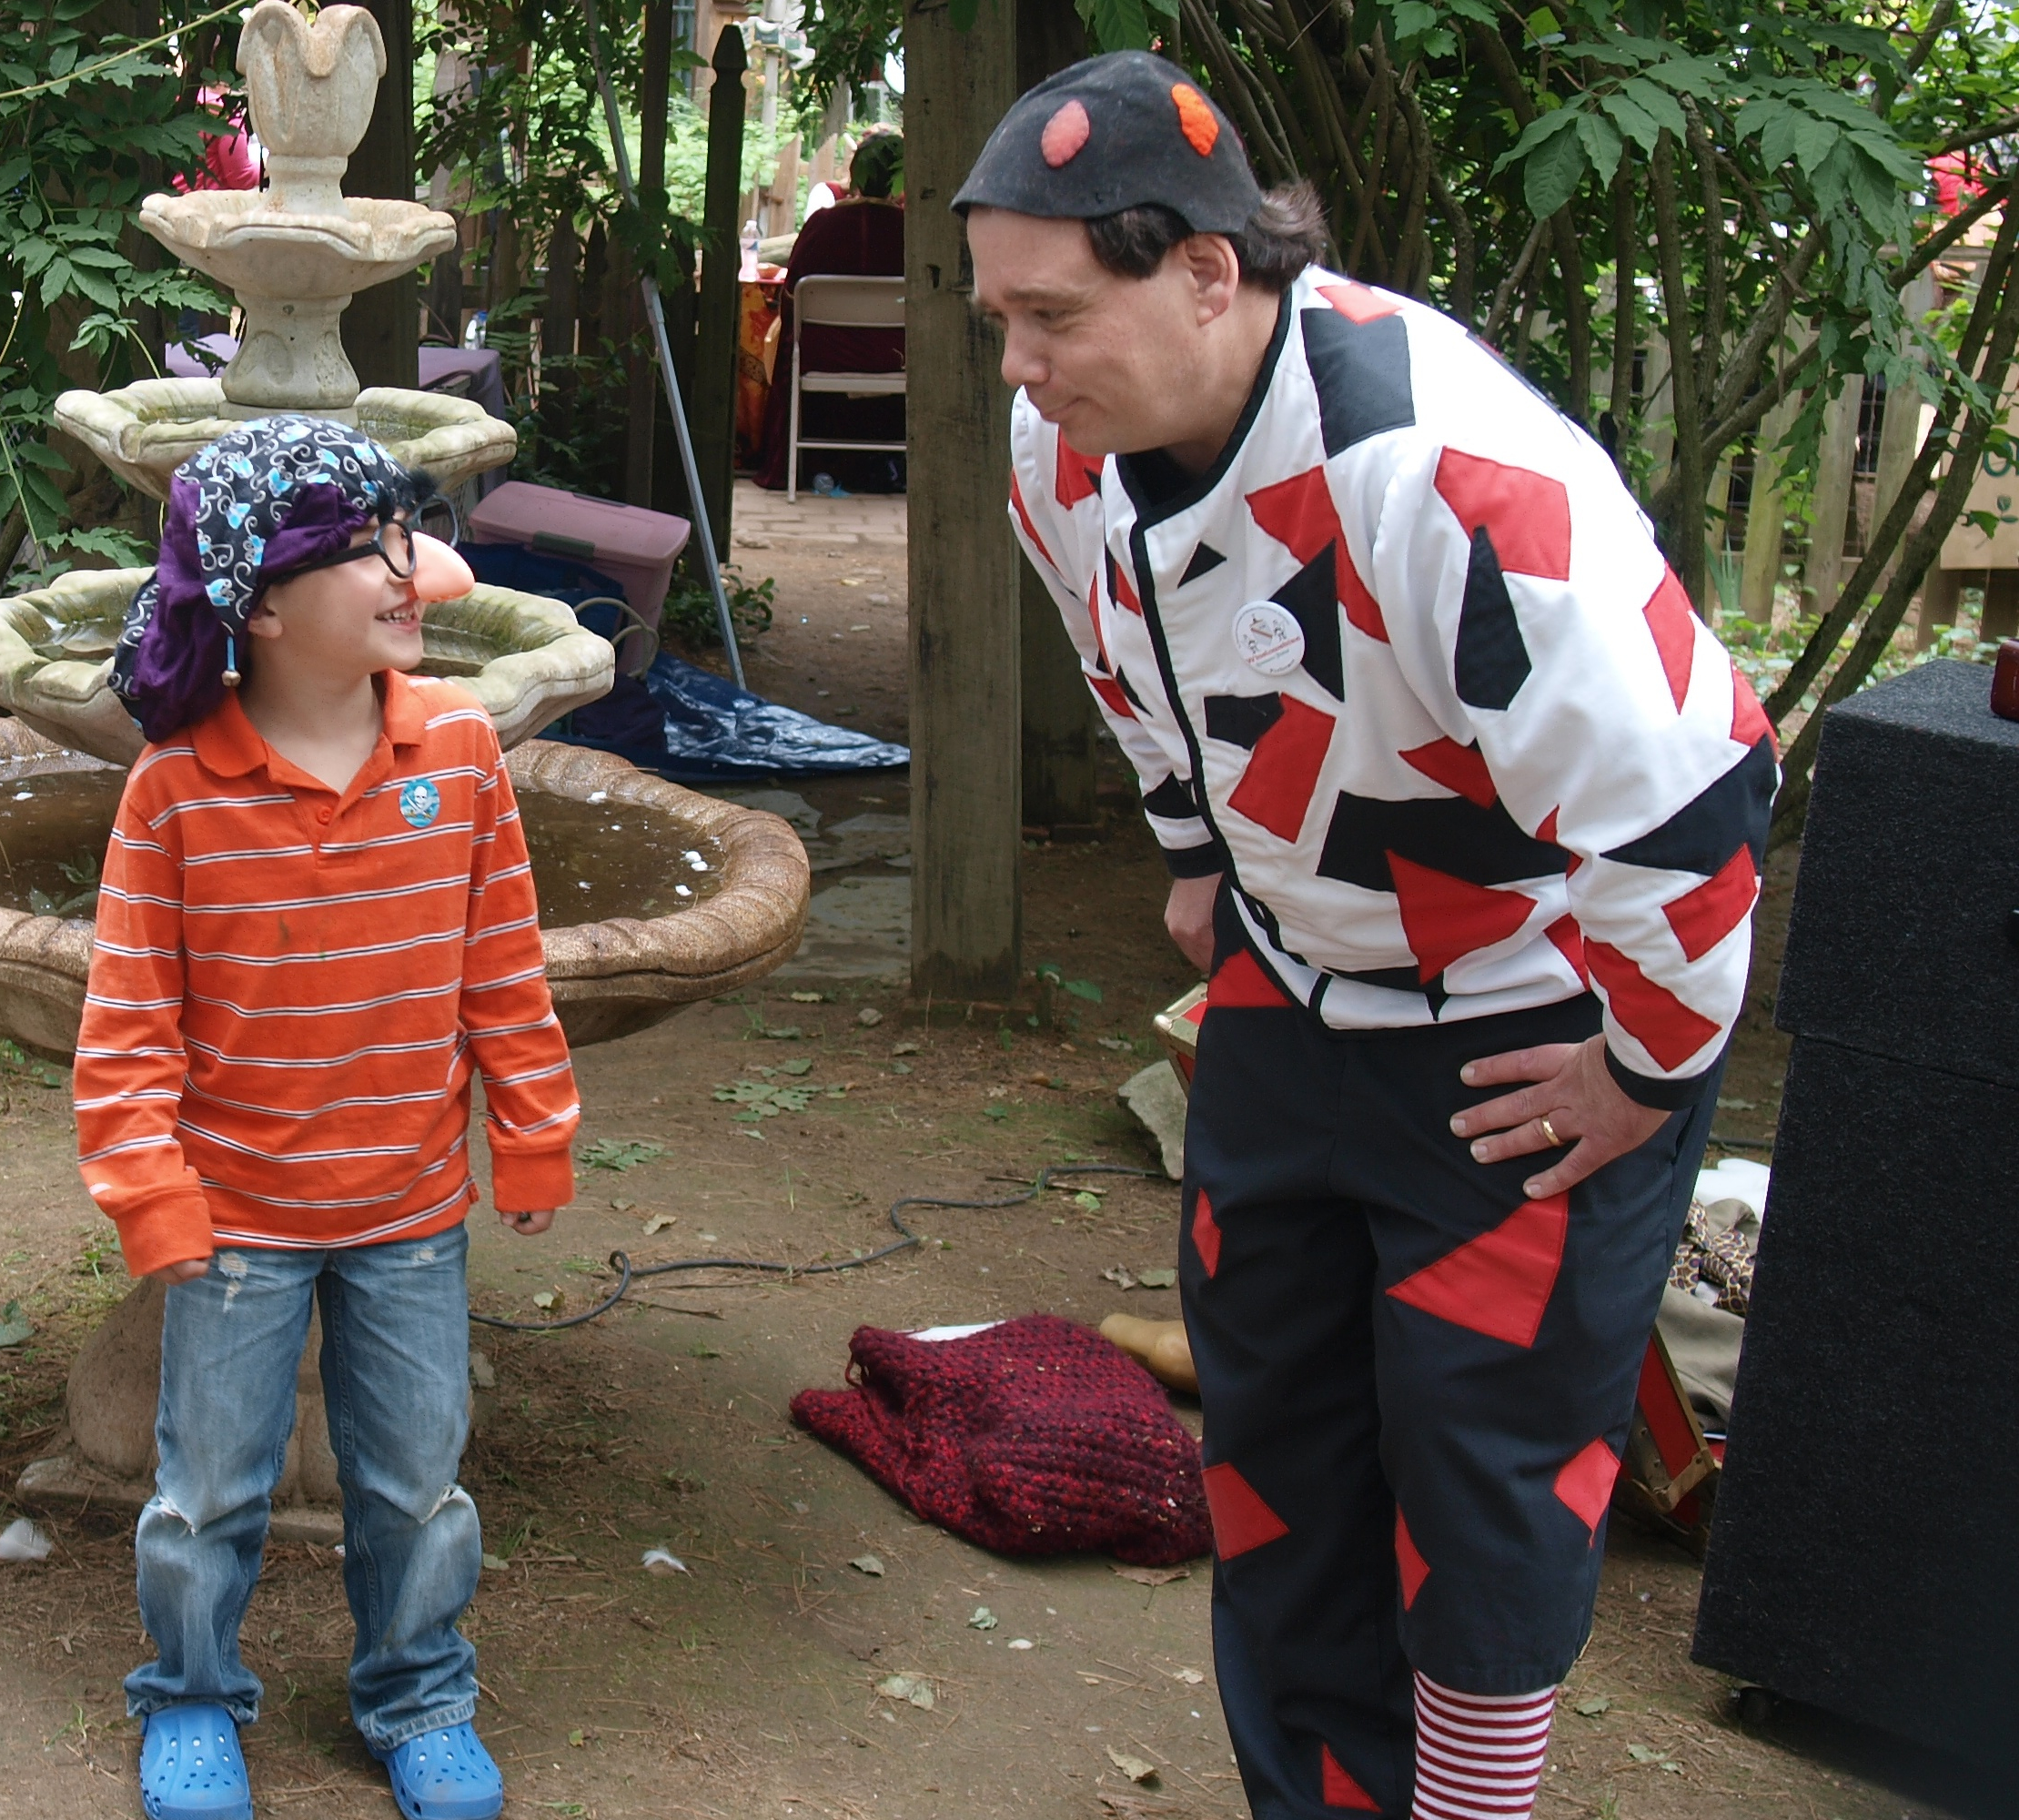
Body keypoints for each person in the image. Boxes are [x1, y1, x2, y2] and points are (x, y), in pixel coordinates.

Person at [965, 53, 1775, 1820]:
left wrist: (1648, 1070)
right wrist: (1198, 849)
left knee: (1488, 1484)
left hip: (1526, 1021)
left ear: (1206, 272)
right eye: (999, 318)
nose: (1017, 365)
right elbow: (1124, 655)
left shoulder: (1448, 474)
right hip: (1291, 982)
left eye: (1051, 316)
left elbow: (1693, 790)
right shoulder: (1064, 452)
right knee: (1281, 1457)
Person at [76, 416, 579, 1820]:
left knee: (417, 1483)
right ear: (264, 604)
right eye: (372, 549)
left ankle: (420, 1694)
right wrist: (149, 1189)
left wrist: (532, 1130)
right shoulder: (175, 791)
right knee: (207, 1494)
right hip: (234, 1222)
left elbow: (503, 966)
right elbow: (129, 1018)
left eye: (409, 537)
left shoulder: (461, 754)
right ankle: (188, 1696)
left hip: (411, 1215)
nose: (417, 572)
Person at [756, 129, 905, 491]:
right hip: (895, 357)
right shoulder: (911, 231)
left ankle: (803, 462)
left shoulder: (822, 225)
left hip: (823, 355)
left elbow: (792, 296)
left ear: (854, 175)